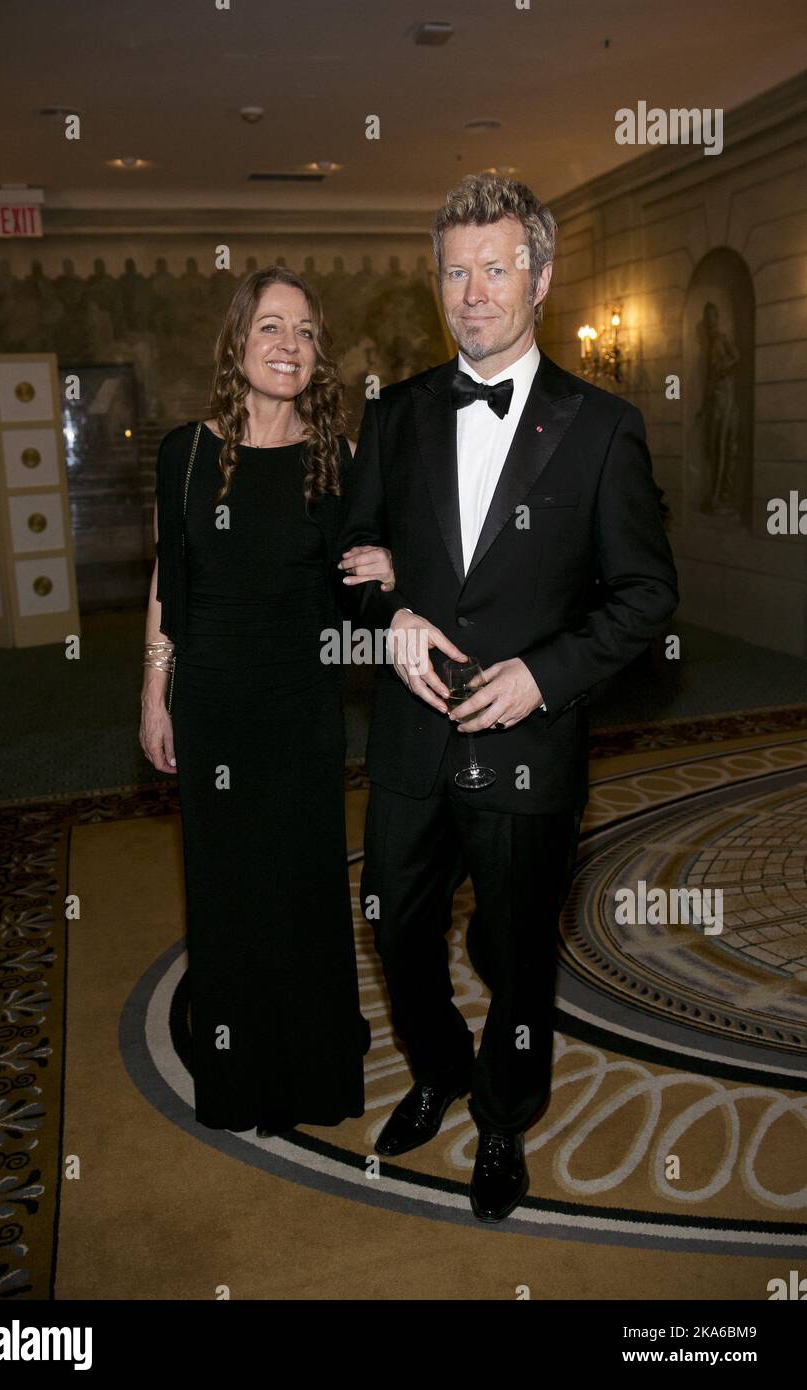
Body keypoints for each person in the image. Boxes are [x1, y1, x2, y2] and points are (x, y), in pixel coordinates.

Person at [338, 173, 679, 1221]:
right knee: (395, 924)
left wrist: (543, 674)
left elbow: (644, 598)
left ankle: (500, 1116)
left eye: (493, 268)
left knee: (523, 956)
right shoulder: (391, 416)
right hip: (408, 741)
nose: (470, 291)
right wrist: (383, 619)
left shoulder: (601, 427)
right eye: (453, 271)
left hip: (530, 749)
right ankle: (435, 1067)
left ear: (538, 278)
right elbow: (343, 566)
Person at [139, 266, 394, 1135]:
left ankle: (316, 1075)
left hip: (300, 707)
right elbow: (170, 579)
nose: (290, 345)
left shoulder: (336, 458)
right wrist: (154, 687)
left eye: (306, 331)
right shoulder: (186, 453)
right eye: (272, 329)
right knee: (227, 891)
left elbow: (357, 579)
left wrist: (387, 571)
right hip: (213, 703)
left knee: (304, 887)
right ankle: (240, 1075)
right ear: (239, 343)